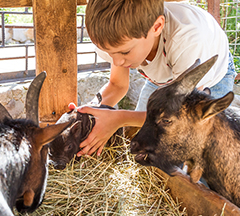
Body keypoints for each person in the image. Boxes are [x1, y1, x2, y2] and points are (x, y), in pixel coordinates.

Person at [73, 0, 236, 157]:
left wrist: (118, 119)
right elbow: (117, 85)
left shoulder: (188, 42)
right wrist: (89, 112)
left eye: (124, 53)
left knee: (202, 151)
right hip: (162, 77)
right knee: (144, 144)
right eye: (109, 53)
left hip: (211, 79)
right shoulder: (117, 39)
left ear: (157, 27)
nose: (117, 62)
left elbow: (181, 116)